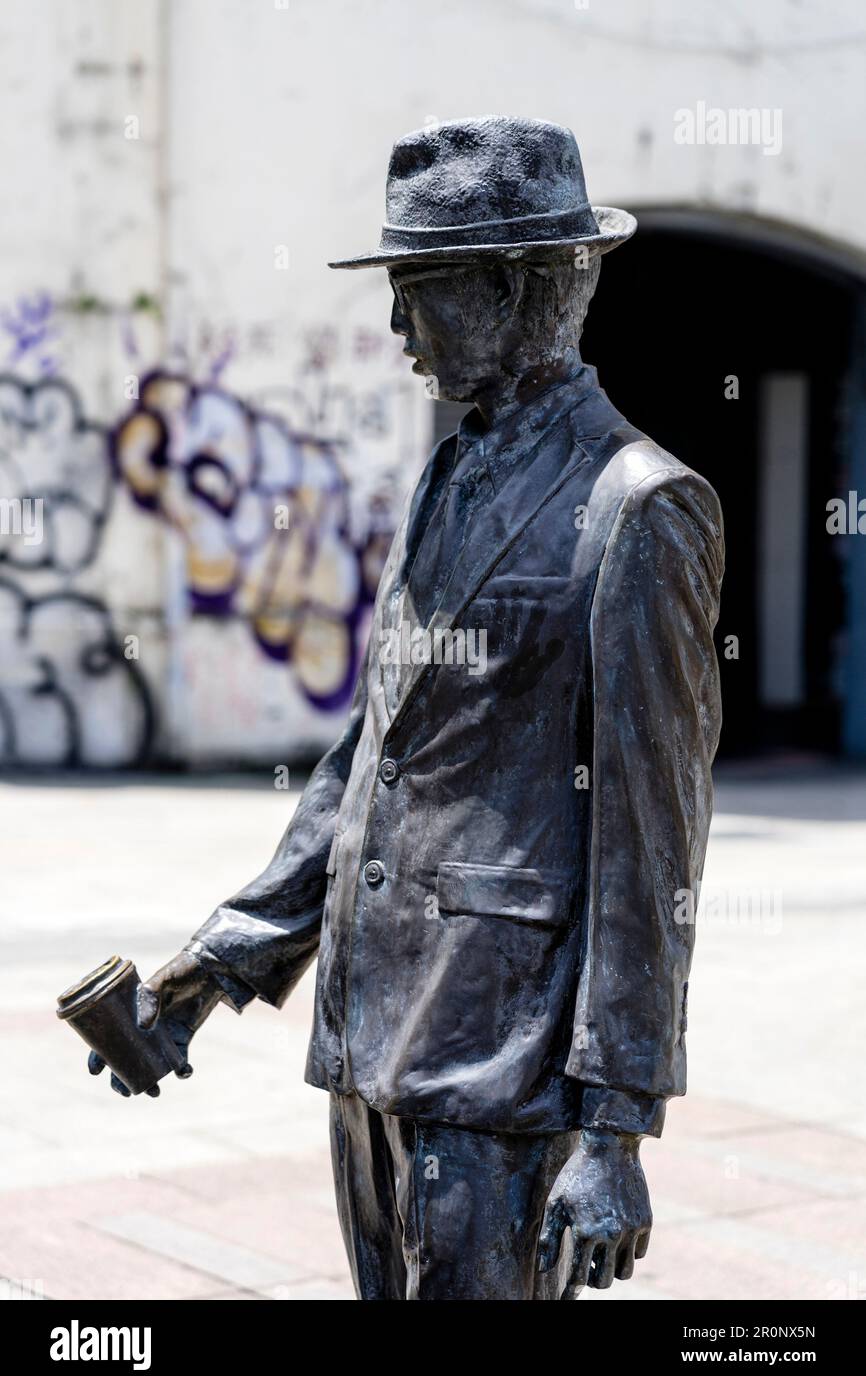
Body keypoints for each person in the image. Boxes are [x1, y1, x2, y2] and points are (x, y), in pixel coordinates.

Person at [90, 117, 724, 1301]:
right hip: (375, 1048)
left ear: (520, 286)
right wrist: (224, 960)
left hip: (503, 1074)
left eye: (421, 293)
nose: (397, 334)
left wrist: (616, 1130)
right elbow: (372, 753)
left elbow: (650, 845)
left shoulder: (639, 508)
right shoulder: (447, 471)